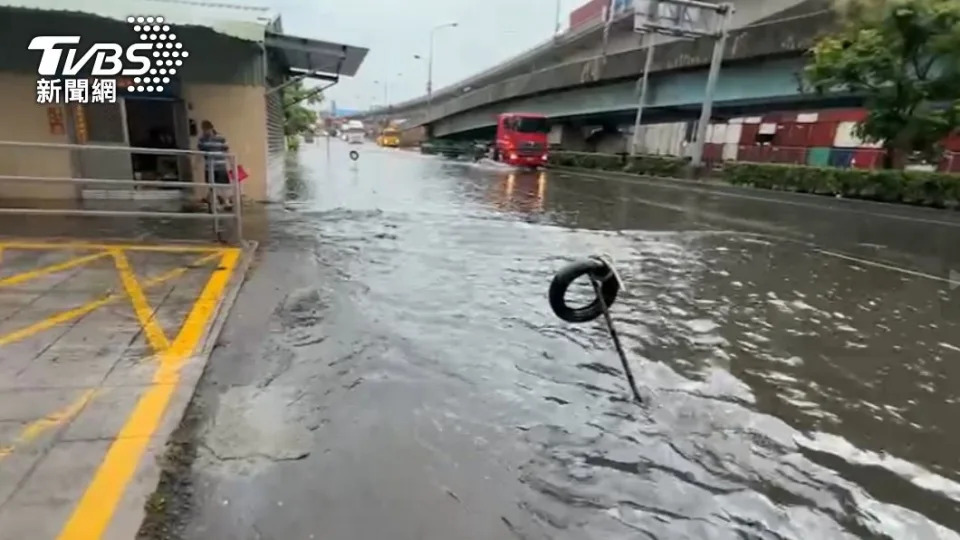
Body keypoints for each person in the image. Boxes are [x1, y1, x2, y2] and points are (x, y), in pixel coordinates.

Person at [197, 120, 232, 211]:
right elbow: (200, 153)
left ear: (211, 128)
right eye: (204, 130)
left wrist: (231, 163)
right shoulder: (202, 139)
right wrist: (196, 164)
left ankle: (225, 202)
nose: (205, 132)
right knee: (211, 186)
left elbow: (226, 151)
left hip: (220, 165)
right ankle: (214, 204)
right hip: (209, 166)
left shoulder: (221, 138)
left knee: (223, 185)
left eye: (206, 130)